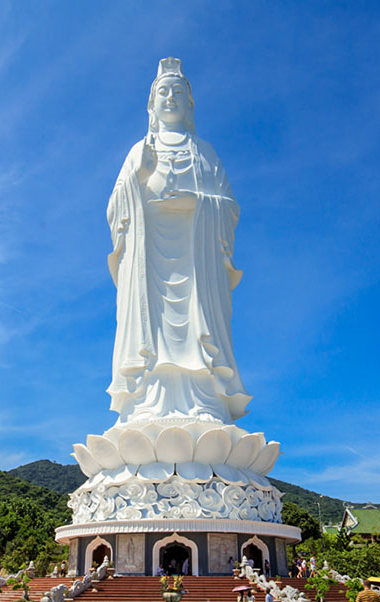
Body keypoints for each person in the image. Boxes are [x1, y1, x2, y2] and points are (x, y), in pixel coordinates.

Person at [105, 57, 249, 425]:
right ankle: (147, 403)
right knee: (149, 331)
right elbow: (114, 210)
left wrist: (198, 205)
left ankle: (205, 403)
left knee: (199, 331)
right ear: (151, 105)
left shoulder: (205, 154)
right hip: (149, 259)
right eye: (163, 92)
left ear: (189, 104)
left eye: (178, 92)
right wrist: (136, 179)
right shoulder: (138, 151)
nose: (170, 98)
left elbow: (230, 208)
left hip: (196, 262)